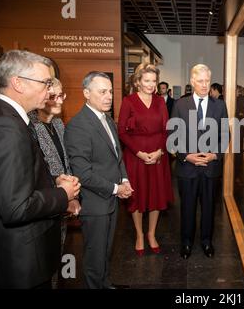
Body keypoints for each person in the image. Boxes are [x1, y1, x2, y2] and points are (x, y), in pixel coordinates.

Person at [0, 50, 80, 288]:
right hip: (21, 260)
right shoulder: (8, 127)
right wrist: (63, 194)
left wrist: (53, 181)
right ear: (18, 83)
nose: (51, 91)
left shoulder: (10, 118)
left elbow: (14, 179)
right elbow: (16, 206)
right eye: (45, 83)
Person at [65, 71, 133, 289]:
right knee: (95, 256)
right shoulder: (78, 125)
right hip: (96, 202)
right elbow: (83, 173)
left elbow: (117, 156)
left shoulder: (107, 119)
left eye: (110, 92)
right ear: (86, 93)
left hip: (110, 199)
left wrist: (124, 179)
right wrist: (116, 188)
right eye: (102, 92)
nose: (109, 96)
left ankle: (106, 284)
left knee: (105, 251)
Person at [170, 64, 228, 259]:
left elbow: (224, 134)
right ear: (192, 82)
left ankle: (206, 241)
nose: (204, 85)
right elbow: (173, 136)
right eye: (200, 81)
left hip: (211, 167)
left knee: (209, 208)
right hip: (187, 167)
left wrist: (215, 154)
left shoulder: (219, 105)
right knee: (187, 207)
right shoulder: (180, 104)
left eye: (207, 81)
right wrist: (187, 155)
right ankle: (186, 243)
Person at [27, 77, 81, 287]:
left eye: (62, 95)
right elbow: (35, 173)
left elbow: (65, 164)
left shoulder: (58, 124)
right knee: (42, 263)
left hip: (63, 203)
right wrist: (63, 197)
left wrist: (73, 196)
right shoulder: (29, 126)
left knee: (58, 256)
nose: (60, 101)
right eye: (53, 97)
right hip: (43, 206)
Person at [118, 64, 173, 256]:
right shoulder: (129, 101)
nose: (151, 84)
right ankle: (139, 235)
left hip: (158, 156)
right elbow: (122, 132)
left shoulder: (160, 102)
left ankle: (151, 234)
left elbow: (168, 130)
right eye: (147, 80)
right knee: (137, 196)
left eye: (154, 81)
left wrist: (160, 152)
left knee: (156, 196)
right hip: (136, 157)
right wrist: (139, 153)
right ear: (138, 82)